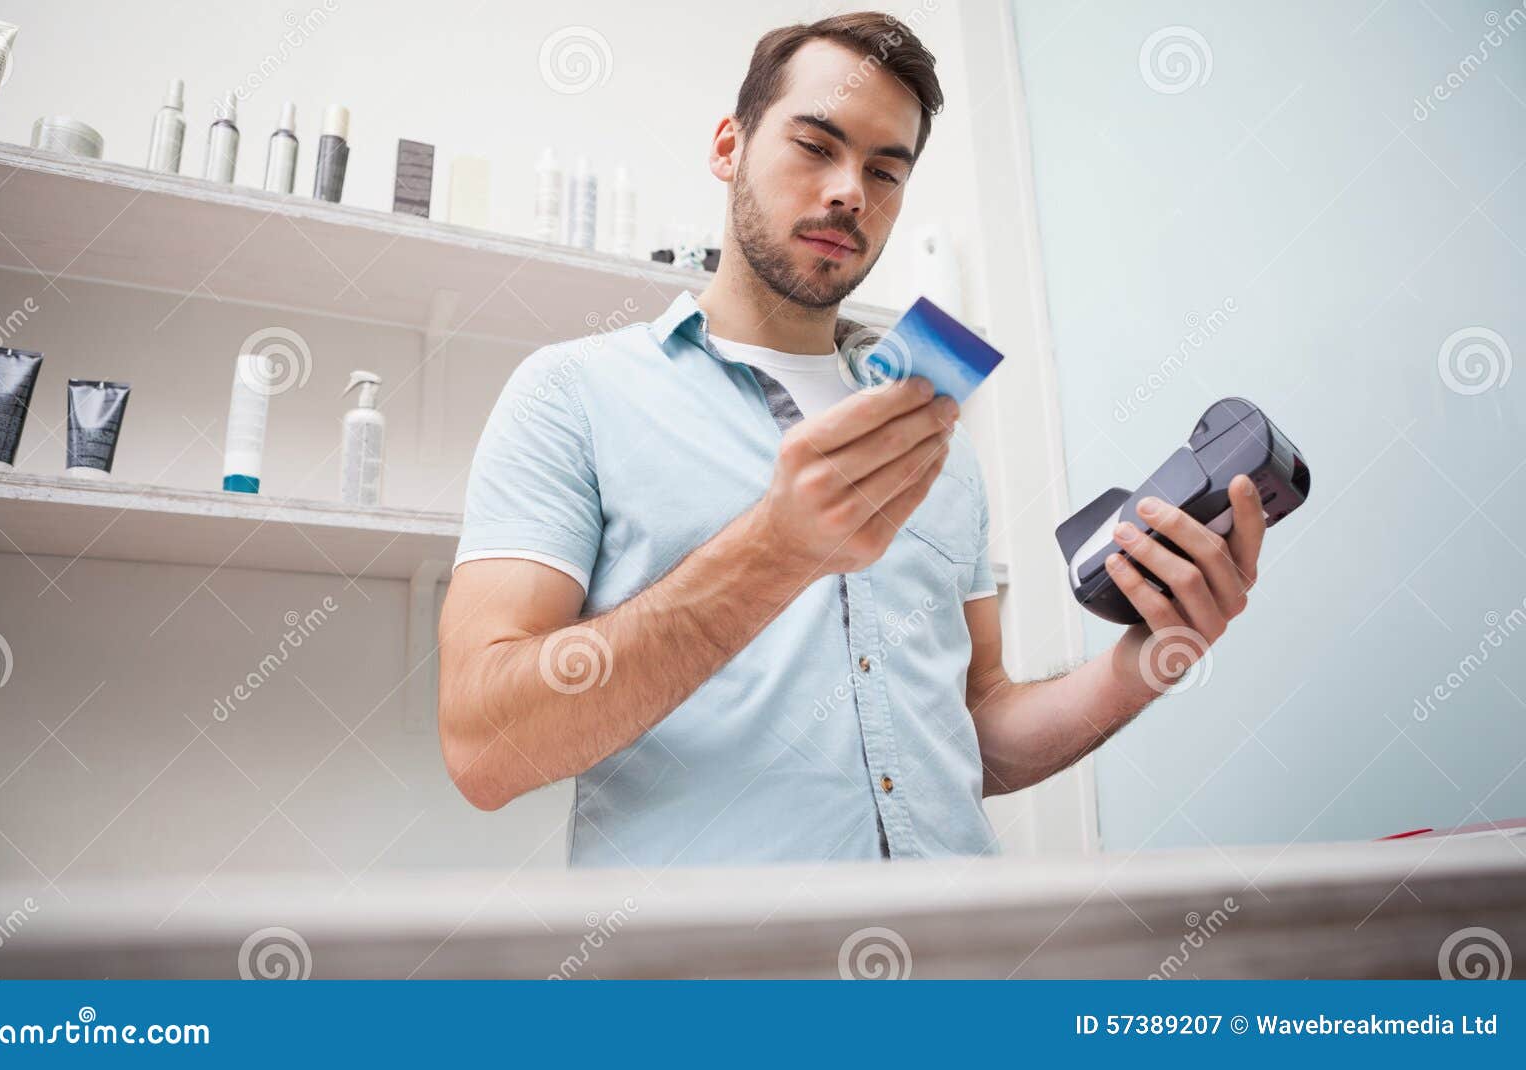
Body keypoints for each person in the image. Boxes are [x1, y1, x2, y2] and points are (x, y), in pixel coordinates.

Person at [437, 12, 1266, 866]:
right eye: (815, 146)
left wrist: (1149, 659)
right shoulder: (571, 395)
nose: (849, 192)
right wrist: (775, 550)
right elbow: (484, 750)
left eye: (884, 170)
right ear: (729, 147)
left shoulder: (929, 433)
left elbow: (972, 730)